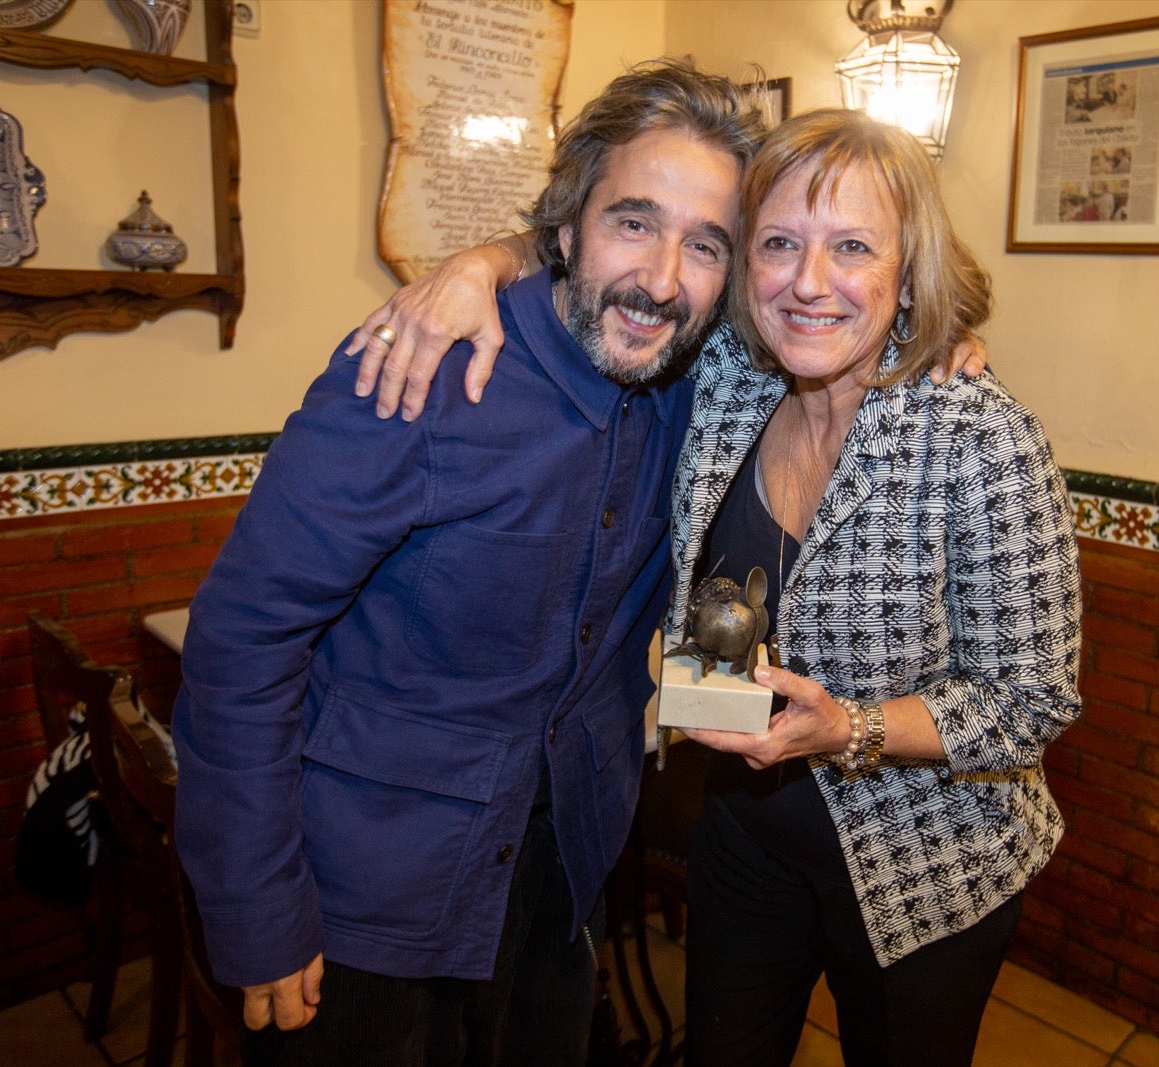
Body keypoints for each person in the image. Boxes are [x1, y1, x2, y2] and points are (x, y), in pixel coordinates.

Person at [350, 109, 1081, 1067]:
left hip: (925, 864)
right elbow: (610, 251)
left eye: (853, 247)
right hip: (744, 832)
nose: (810, 282)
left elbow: (1031, 703)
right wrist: (477, 264)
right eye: (779, 243)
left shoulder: (980, 439)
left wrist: (847, 728)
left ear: (908, 270)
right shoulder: (730, 375)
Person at [171, 59, 762, 1066]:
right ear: (565, 229)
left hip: (555, 875)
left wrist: (948, 333)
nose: (662, 279)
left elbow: (847, 299)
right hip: (366, 895)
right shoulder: (414, 371)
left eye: (703, 244)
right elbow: (241, 642)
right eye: (632, 222)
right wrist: (255, 907)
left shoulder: (694, 388)